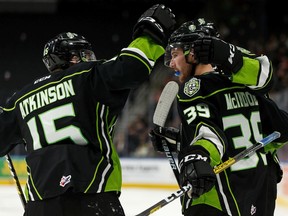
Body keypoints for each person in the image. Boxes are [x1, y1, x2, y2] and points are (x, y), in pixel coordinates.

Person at [0, 4, 176, 216]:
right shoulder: (88, 76)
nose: (90, 59)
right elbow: (132, 66)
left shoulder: (21, 99)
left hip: (40, 205)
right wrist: (151, 33)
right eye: (84, 54)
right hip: (92, 196)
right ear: (71, 57)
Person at [151, 18, 288, 216]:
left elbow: (210, 136)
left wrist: (196, 154)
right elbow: (274, 128)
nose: (171, 63)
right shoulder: (245, 81)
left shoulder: (194, 88)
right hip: (260, 189)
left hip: (218, 197)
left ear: (193, 52)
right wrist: (182, 140)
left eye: (175, 54)